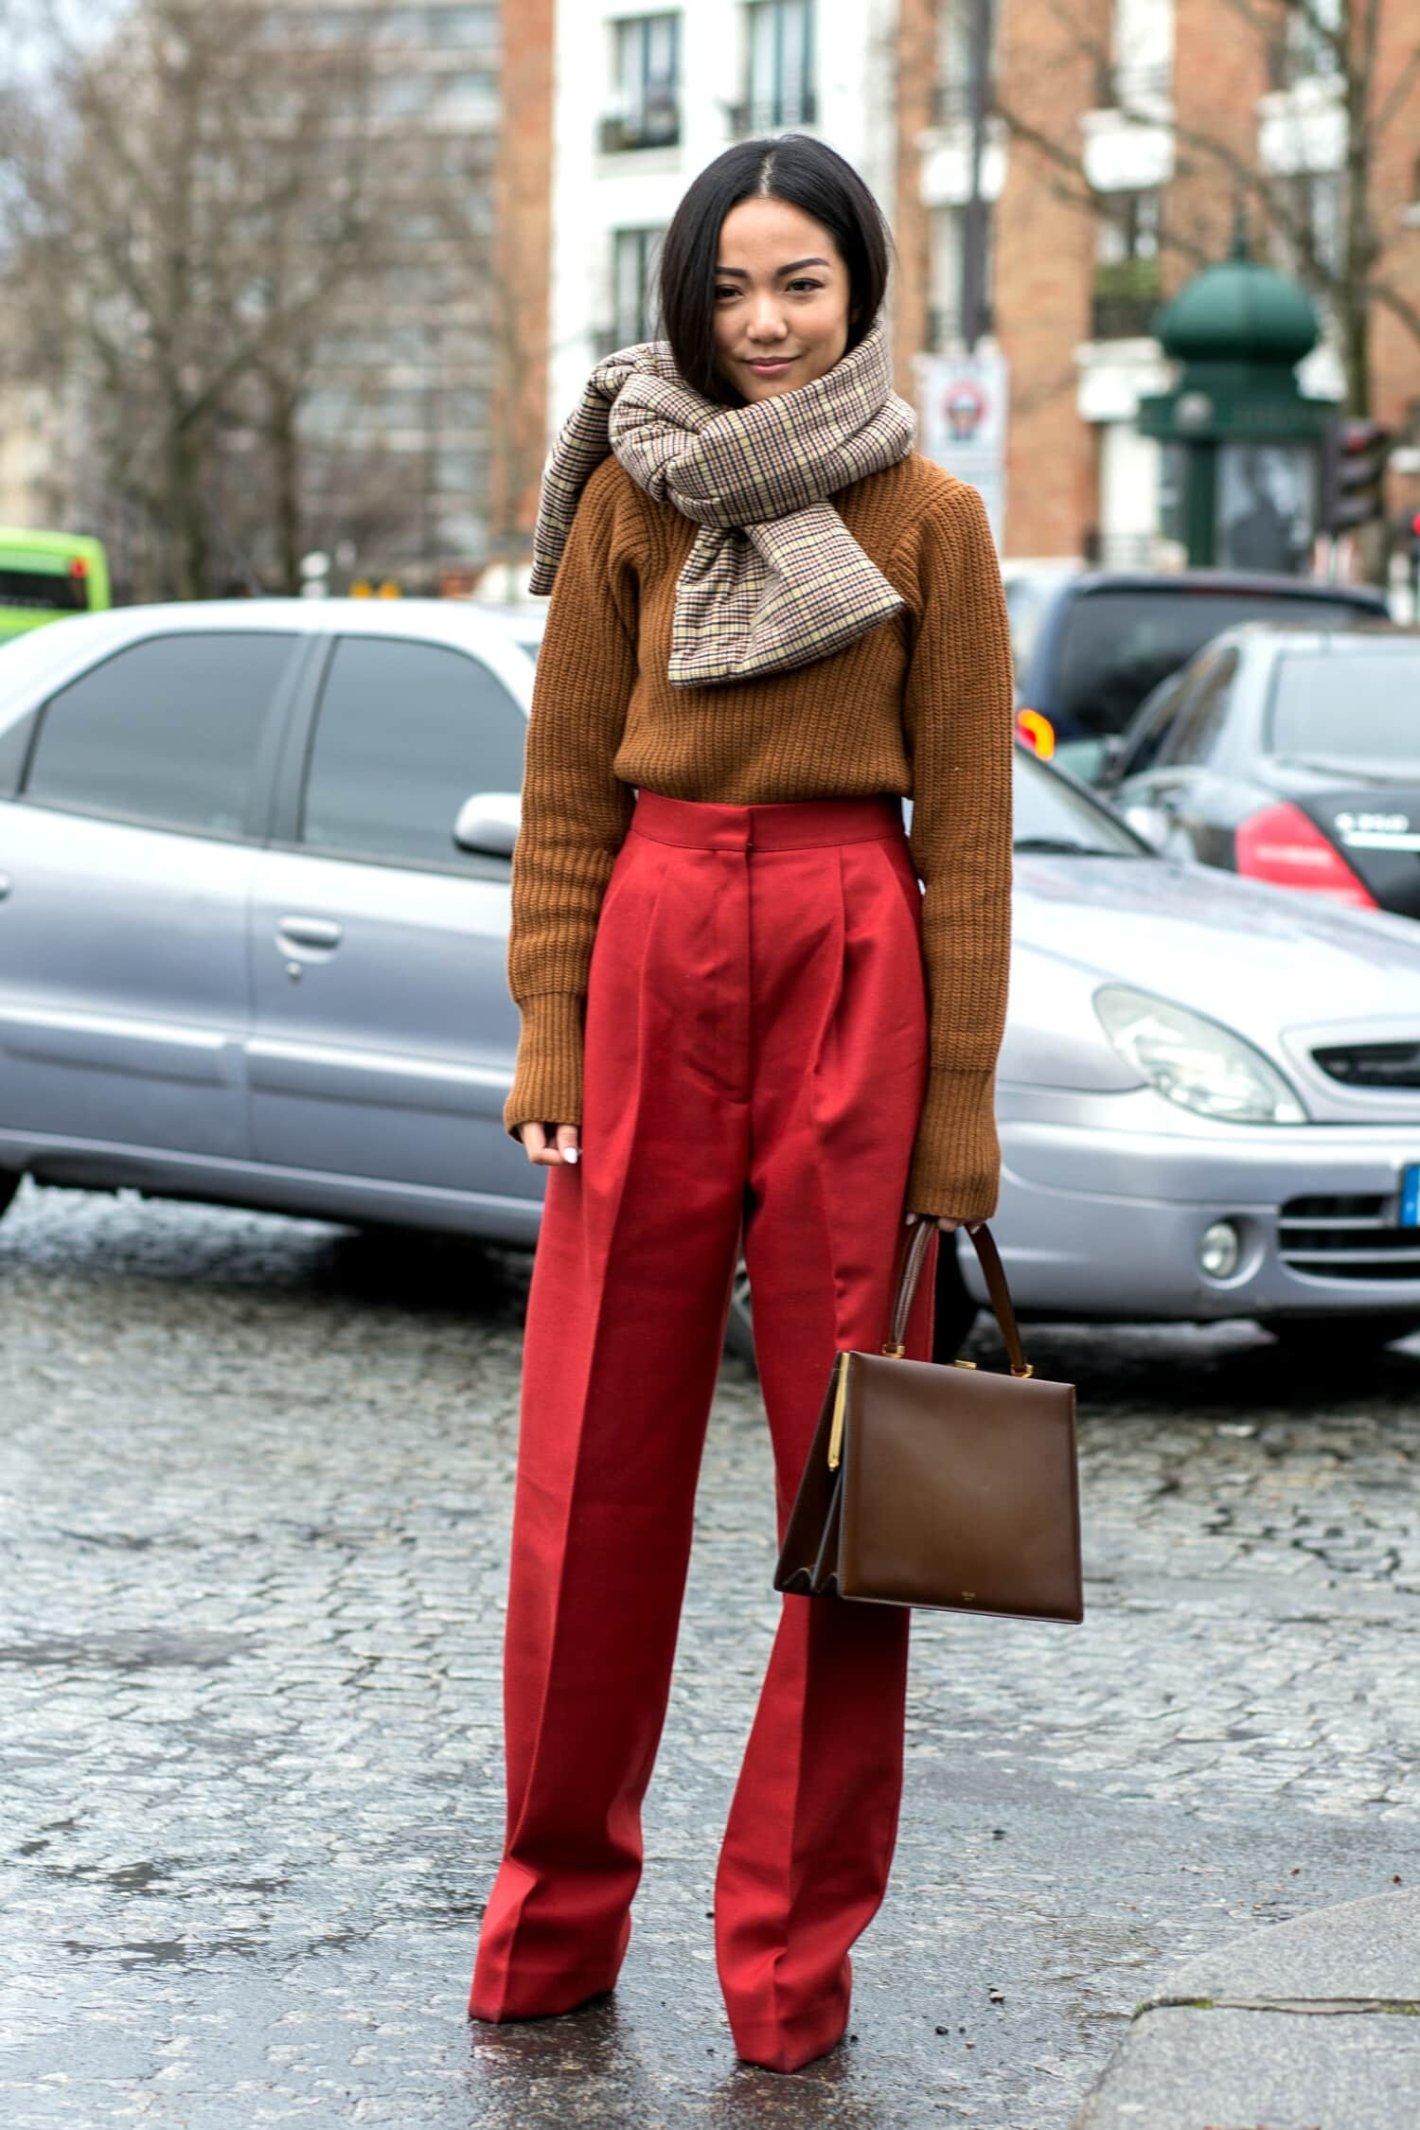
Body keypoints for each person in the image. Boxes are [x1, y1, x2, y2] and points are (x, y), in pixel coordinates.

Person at [468, 131, 1014, 2075]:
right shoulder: (630, 492)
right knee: (584, 1472)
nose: (762, 323)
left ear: (862, 288)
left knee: (845, 1495)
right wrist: (550, 1029)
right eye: (727, 287)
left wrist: (952, 1122)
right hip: (648, 950)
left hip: (856, 960)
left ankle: (789, 1968)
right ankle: (549, 1928)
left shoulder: (932, 518)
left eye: (798, 283)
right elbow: (559, 801)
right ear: (683, 301)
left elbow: (964, 835)